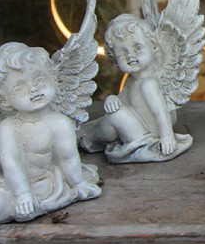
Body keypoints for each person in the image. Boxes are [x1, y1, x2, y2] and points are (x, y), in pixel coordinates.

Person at [0, 43, 101, 224]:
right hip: (8, 176)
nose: (33, 89)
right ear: (4, 100)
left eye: (39, 80)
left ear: (54, 80)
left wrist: (78, 184)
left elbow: (68, 159)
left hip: (39, 183)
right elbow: (11, 164)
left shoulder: (60, 123)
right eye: (19, 88)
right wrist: (21, 192)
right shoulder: (7, 127)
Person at [79, 14, 192, 162]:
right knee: (114, 111)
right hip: (140, 128)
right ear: (115, 60)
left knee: (114, 115)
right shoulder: (133, 82)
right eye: (122, 53)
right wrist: (112, 99)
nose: (130, 55)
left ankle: (92, 139)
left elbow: (161, 112)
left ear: (153, 47)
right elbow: (122, 101)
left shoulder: (149, 83)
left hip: (145, 134)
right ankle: (92, 136)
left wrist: (167, 138)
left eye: (137, 48)